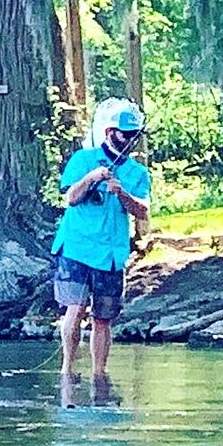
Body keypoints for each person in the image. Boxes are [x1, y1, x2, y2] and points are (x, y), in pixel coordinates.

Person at [52, 100, 151, 377]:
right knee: (76, 307)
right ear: (109, 132)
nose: (131, 140)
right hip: (76, 248)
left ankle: (99, 374)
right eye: (126, 134)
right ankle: (67, 370)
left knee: (103, 318)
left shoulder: (137, 173)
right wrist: (92, 177)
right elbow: (71, 198)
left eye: (135, 135)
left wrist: (122, 194)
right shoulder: (83, 160)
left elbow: (143, 211)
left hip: (111, 254)